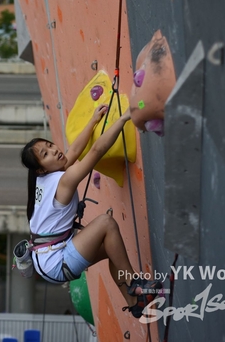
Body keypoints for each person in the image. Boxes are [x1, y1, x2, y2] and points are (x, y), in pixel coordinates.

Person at [20, 105, 162, 318]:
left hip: (46, 259)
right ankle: (135, 285)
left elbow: (73, 151)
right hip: (55, 262)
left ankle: (134, 303)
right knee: (106, 223)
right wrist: (123, 119)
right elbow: (96, 152)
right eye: (46, 153)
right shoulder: (63, 181)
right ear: (40, 168)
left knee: (112, 249)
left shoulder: (42, 178)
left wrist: (93, 121)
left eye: (50, 145)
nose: (55, 150)